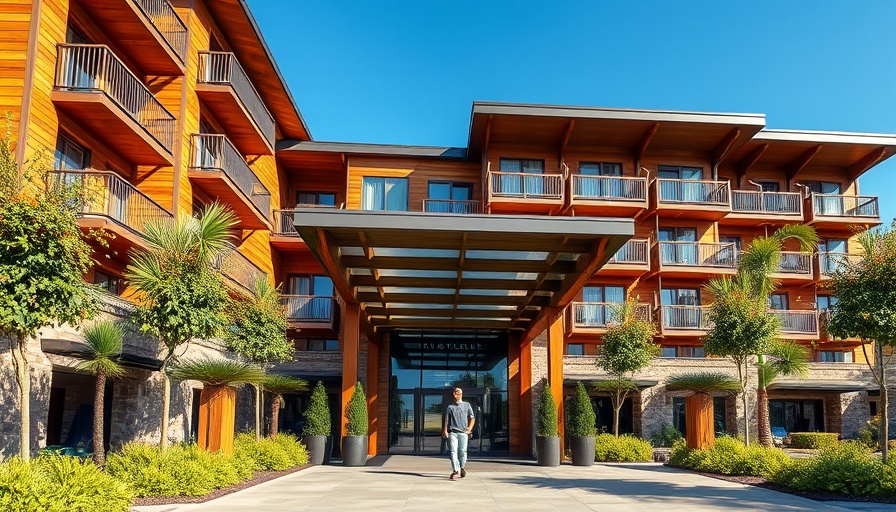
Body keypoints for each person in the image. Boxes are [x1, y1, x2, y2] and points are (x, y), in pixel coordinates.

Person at [442, 387, 475, 480]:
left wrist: (469, 428)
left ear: (462, 394)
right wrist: (445, 430)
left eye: (459, 392)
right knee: (453, 451)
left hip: (463, 432)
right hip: (453, 432)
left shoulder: (467, 405)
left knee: (463, 451)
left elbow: (472, 418)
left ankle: (462, 467)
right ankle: (455, 470)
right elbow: (446, 420)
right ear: (454, 394)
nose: (457, 394)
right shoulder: (450, 407)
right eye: (456, 392)